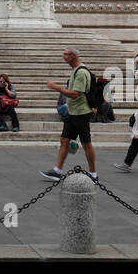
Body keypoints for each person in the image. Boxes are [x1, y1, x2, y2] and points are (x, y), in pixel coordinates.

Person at [40, 47, 97, 182]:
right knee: (64, 140)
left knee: (86, 143)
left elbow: (75, 94)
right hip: (72, 112)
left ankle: (93, 174)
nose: (63, 56)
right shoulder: (75, 70)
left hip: (81, 113)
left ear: (73, 56)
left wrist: (57, 88)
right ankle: (57, 171)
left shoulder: (81, 72)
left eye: (66, 54)